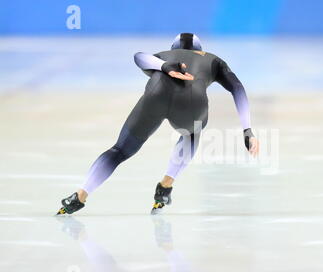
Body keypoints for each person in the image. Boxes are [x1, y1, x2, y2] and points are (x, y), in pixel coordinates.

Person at [57, 33, 259, 215]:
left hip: (155, 97)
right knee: (192, 134)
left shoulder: (162, 56)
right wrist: (247, 129)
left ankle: (80, 195)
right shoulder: (213, 60)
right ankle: (165, 186)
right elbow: (237, 88)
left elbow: (138, 56)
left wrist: (163, 66)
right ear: (200, 50)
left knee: (119, 150)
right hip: (192, 103)